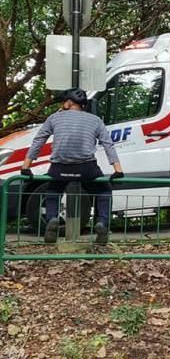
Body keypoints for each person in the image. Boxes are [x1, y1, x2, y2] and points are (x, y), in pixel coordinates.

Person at [20, 88, 124, 244]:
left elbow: (39, 140)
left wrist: (26, 166)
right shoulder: (95, 120)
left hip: (59, 167)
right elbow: (108, 144)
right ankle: (102, 222)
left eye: (63, 102)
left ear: (69, 103)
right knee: (104, 190)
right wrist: (118, 170)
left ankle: (52, 220)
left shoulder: (54, 118)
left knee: (53, 190)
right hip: (86, 167)